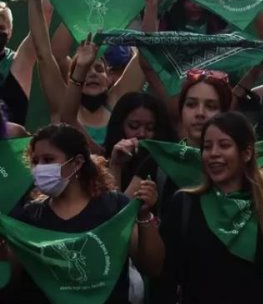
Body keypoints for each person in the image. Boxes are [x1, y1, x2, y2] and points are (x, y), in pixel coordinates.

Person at [1, 124, 163, 303]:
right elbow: (13, 277)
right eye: (35, 161)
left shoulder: (114, 207)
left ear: (77, 163)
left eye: (48, 160)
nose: (39, 168)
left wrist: (144, 217)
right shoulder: (28, 217)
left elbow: (152, 267)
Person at [158, 111, 263, 303]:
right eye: (207, 147)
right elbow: (164, 279)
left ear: (246, 153)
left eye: (224, 145)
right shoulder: (184, 204)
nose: (213, 153)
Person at [20, 0, 144, 153]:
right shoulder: (62, 102)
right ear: (72, 76)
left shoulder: (117, 102)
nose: (92, 73)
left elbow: (144, 57)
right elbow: (44, 54)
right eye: (84, 69)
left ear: (109, 78)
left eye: (99, 69)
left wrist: (151, 5)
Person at [103, 92, 178, 194]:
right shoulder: (100, 165)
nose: (142, 134)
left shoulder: (167, 168)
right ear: (119, 126)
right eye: (134, 126)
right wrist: (116, 165)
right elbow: (112, 208)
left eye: (150, 128)